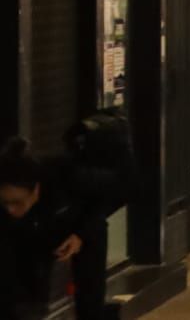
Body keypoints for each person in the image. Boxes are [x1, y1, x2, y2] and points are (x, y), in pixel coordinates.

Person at [0, 136, 116, 320]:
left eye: (17, 202)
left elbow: (103, 197)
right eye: (5, 203)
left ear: (36, 190)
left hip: (80, 226)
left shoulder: (66, 173)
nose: (10, 209)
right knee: (21, 291)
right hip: (37, 232)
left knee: (90, 293)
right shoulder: (8, 213)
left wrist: (80, 235)